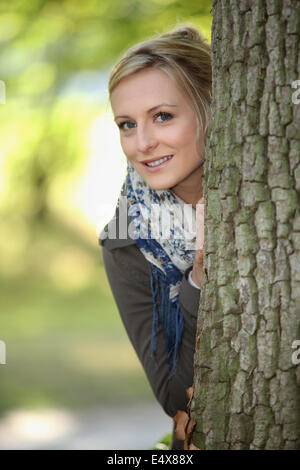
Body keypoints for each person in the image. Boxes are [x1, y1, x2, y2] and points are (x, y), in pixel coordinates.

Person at [98, 25, 211, 450]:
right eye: (127, 124)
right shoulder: (127, 237)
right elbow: (173, 396)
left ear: (211, 108)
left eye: (162, 116)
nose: (142, 143)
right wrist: (197, 283)